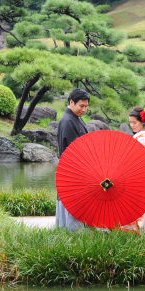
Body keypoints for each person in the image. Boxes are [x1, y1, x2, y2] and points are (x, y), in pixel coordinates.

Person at [118, 106, 145, 236]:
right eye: (130, 123)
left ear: (143, 122)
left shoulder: (137, 142)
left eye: (134, 123)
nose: (132, 125)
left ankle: (133, 232)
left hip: (134, 179)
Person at [56, 89, 90, 231]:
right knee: (72, 204)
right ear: (71, 102)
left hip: (77, 170)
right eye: (81, 106)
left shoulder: (75, 118)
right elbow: (74, 151)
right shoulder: (67, 121)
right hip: (72, 170)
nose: (84, 109)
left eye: (86, 106)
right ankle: (72, 235)